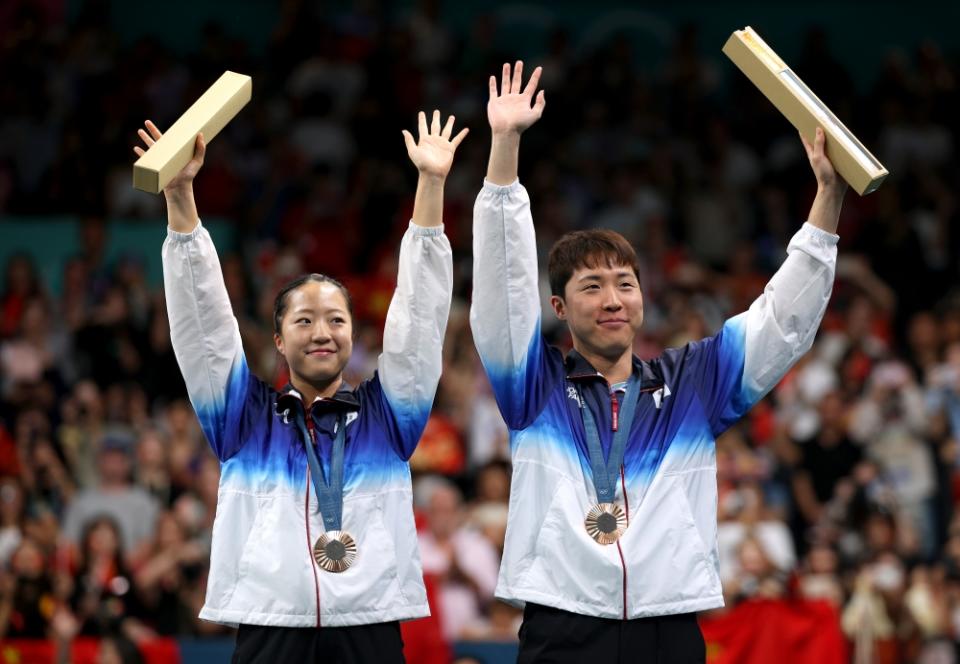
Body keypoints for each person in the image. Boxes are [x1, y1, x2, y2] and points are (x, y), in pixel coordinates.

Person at [470, 61, 847, 661]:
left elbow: (783, 322)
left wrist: (827, 200)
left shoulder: (693, 383)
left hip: (668, 628)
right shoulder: (533, 385)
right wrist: (506, 152)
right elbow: (500, 291)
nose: (613, 299)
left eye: (625, 283)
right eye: (592, 287)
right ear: (560, 307)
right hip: (562, 628)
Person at [133, 108, 466, 662]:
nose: (322, 332)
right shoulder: (243, 418)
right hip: (271, 625)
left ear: (353, 336)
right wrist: (181, 199)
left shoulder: (390, 418)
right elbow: (204, 329)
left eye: (336, 320)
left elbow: (422, 323)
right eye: (304, 320)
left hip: (370, 624)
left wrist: (430, 186)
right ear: (279, 340)